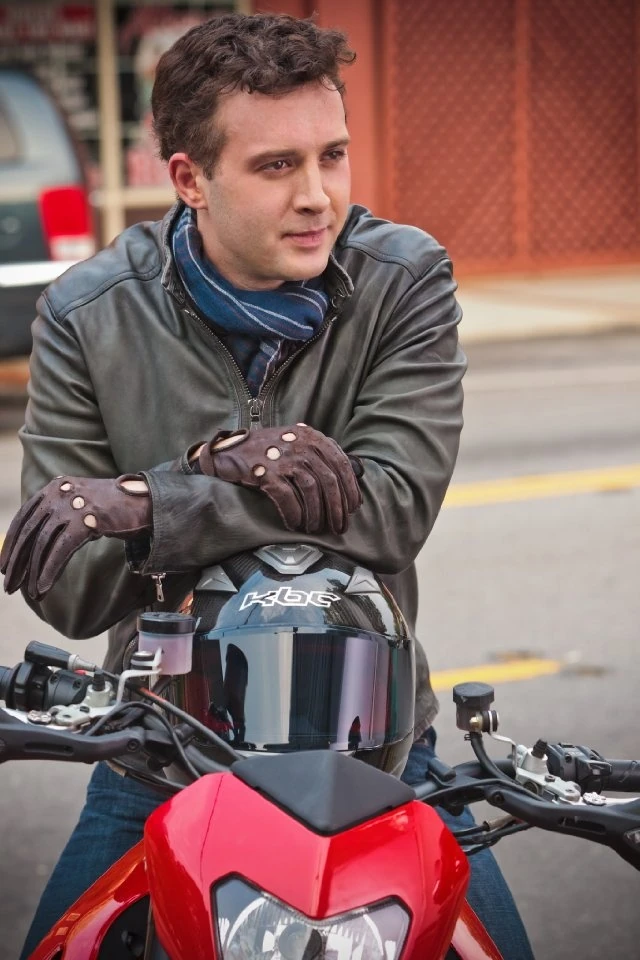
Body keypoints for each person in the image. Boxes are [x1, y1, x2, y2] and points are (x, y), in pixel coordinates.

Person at [1, 13, 533, 959]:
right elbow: (71, 590)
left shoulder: (403, 279)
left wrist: (151, 503)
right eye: (277, 166)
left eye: (333, 155)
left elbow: (388, 508)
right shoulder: (88, 313)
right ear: (189, 179)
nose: (317, 196)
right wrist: (210, 465)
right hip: (160, 756)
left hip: (375, 747)